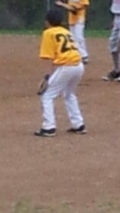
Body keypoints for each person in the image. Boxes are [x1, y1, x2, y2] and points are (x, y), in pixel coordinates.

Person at [34, 9, 86, 137]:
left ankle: (49, 127)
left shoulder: (48, 33)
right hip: (79, 65)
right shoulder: (66, 31)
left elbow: (49, 58)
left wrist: (47, 77)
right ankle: (78, 124)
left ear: (47, 22)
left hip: (67, 66)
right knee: (69, 94)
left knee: (47, 95)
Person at [55, 0, 90, 65]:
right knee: (73, 38)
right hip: (72, 19)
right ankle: (78, 54)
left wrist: (63, 5)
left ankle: (84, 55)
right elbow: (71, 7)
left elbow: (84, 4)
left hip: (79, 18)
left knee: (78, 36)